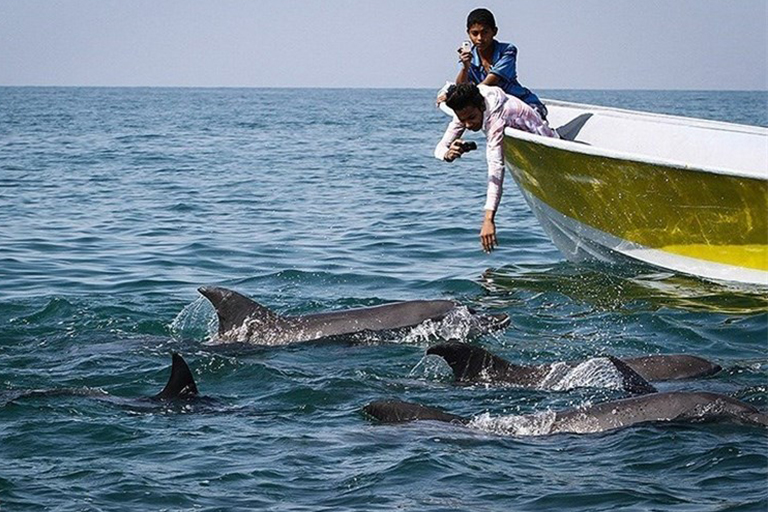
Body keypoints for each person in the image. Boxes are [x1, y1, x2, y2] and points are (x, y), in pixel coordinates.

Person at [434, 83, 558, 253]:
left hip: (549, 147)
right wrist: (447, 154)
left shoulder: (496, 119)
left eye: (471, 118)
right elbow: (439, 147)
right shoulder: (468, 108)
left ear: (482, 106)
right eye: (463, 120)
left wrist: (488, 220)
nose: (468, 125)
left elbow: (496, 169)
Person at [439, 8, 547, 120]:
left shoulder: (508, 50)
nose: (480, 38)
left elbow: (490, 83)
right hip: (497, 109)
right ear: (468, 34)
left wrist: (456, 94)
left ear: (494, 31)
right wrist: (465, 68)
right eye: (475, 34)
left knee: (534, 123)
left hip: (524, 103)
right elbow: (462, 87)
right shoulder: (469, 57)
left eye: (484, 32)